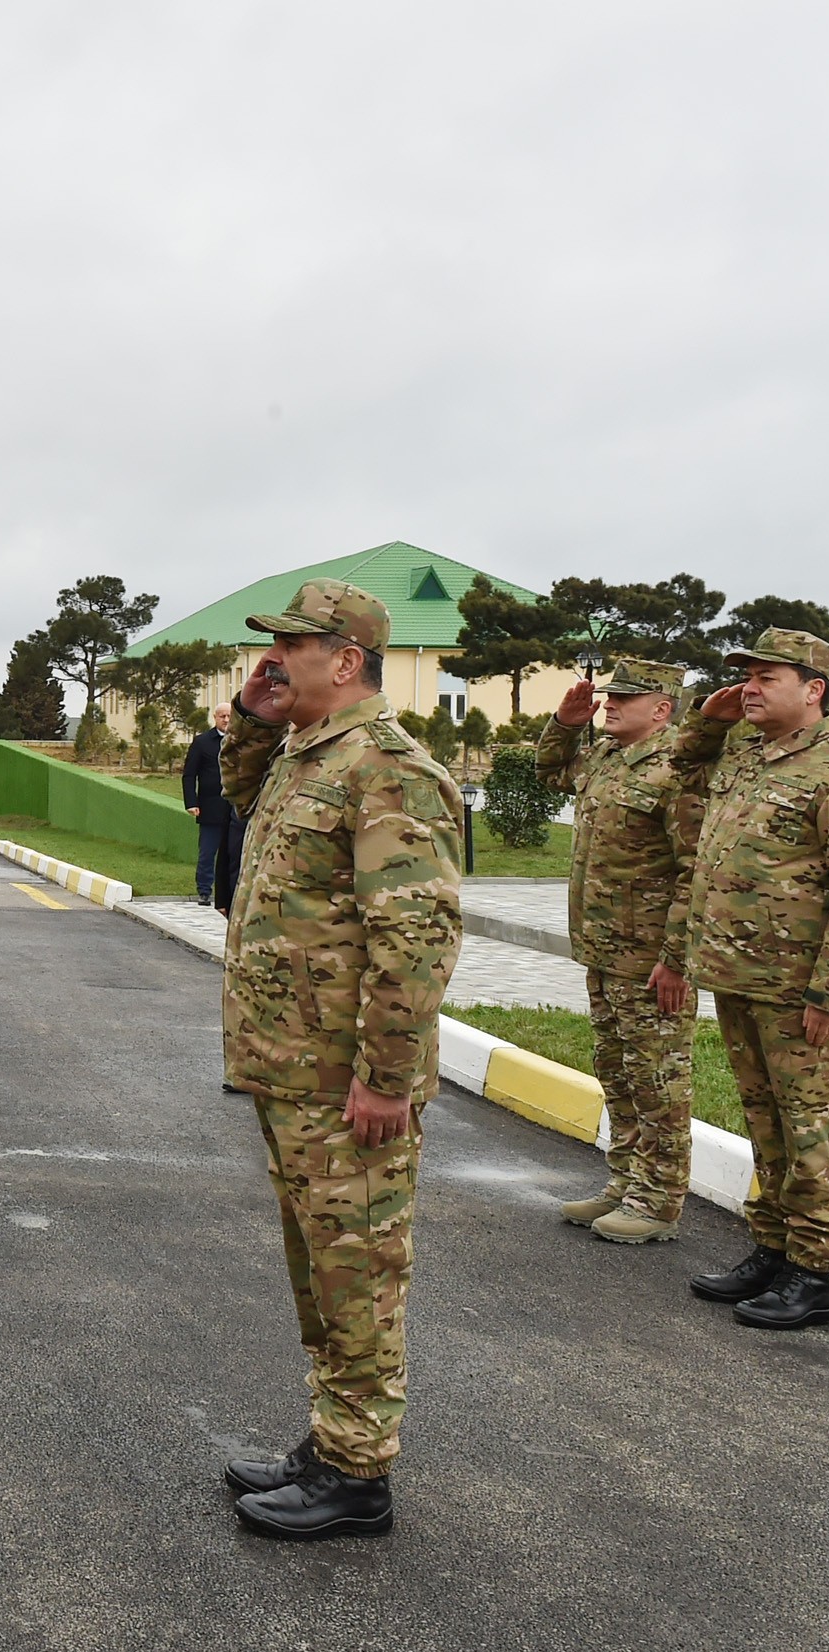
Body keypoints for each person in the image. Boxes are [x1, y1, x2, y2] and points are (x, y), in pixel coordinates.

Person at [213, 579, 463, 1540]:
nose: (276, 661)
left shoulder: (388, 770)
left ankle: (359, 1474)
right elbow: (239, 793)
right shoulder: (308, 756)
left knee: (358, 1269)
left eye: (293, 648)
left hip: (344, 1081)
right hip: (290, 1067)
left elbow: (414, 937)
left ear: (346, 660)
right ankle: (332, 1440)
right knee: (321, 1267)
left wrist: (385, 1076)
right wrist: (250, 710)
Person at [670, 629, 829, 1330]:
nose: (749, 686)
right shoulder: (749, 755)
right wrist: (704, 719)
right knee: (763, 1120)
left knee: (809, 1126)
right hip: (740, 975)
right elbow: (683, 771)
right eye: (745, 675)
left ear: (814, 689)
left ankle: (814, 1269)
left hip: (797, 990)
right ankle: (770, 1248)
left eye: (767, 677)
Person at [535, 659, 702, 1243]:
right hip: (603, 949)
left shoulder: (679, 769)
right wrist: (563, 721)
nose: (612, 703)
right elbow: (549, 771)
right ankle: (626, 1180)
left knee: (658, 1078)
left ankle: (659, 1200)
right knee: (617, 1069)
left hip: (650, 958)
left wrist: (677, 958)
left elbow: (694, 872)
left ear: (662, 708)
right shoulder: (607, 756)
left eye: (626, 698)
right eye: (612, 695)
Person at [182, 700, 244, 913]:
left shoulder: (240, 740)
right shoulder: (202, 742)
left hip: (236, 808)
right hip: (210, 807)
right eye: (222, 716)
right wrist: (191, 802)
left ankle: (230, 893)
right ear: (215, 718)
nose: (226, 720)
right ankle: (204, 890)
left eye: (229, 716)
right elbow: (189, 775)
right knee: (207, 853)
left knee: (234, 852)